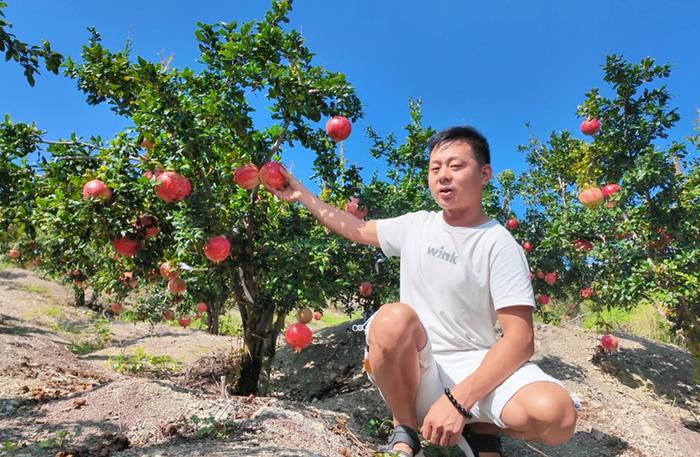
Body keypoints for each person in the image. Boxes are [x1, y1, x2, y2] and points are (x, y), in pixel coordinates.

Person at [266, 126, 578, 457]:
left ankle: (482, 428)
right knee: (392, 317)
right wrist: (303, 195)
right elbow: (355, 228)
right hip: (418, 367)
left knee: (556, 415)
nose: (443, 176)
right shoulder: (416, 226)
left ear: (485, 174)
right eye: (435, 168)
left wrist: (459, 401)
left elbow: (520, 339)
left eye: (456, 166)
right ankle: (406, 429)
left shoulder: (499, 244)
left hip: (475, 368)